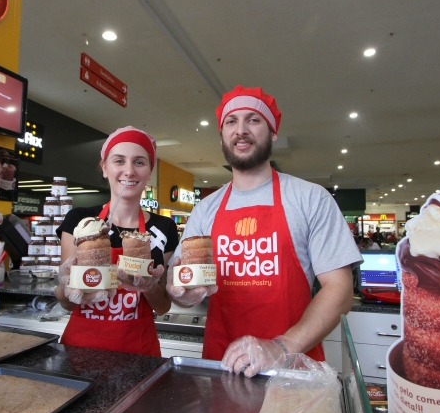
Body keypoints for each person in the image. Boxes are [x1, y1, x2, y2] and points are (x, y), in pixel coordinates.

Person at [166, 86, 362, 377]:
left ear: (272, 133)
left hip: (293, 370)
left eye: (253, 120)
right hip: (222, 369)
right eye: (231, 122)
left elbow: (340, 290)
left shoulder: (310, 198)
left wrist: (281, 347)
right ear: (222, 135)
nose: (241, 130)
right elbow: (180, 278)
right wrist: (181, 293)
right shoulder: (205, 209)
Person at [55, 126, 179, 356]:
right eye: (119, 161)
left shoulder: (164, 228)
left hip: (139, 354)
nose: (129, 171)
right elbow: (66, 302)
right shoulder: (80, 221)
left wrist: (149, 287)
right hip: (81, 350)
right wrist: (66, 286)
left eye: (139, 162)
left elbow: (162, 307)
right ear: (104, 168)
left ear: (150, 171)